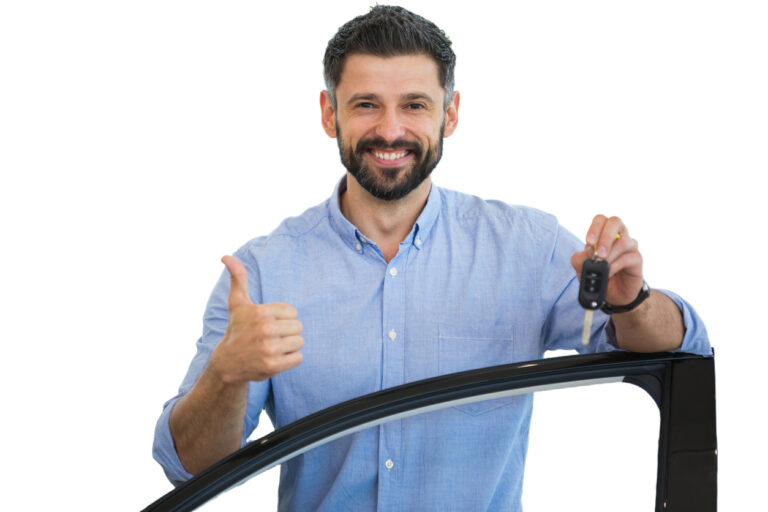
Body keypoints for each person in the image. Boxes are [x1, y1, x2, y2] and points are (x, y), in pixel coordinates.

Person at [153, 5, 710, 510]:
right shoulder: (264, 273)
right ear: (329, 115)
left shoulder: (526, 247)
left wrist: (630, 302)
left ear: (450, 113)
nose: (390, 130)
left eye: (414, 105)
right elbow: (190, 466)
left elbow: (681, 350)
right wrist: (225, 375)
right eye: (366, 104)